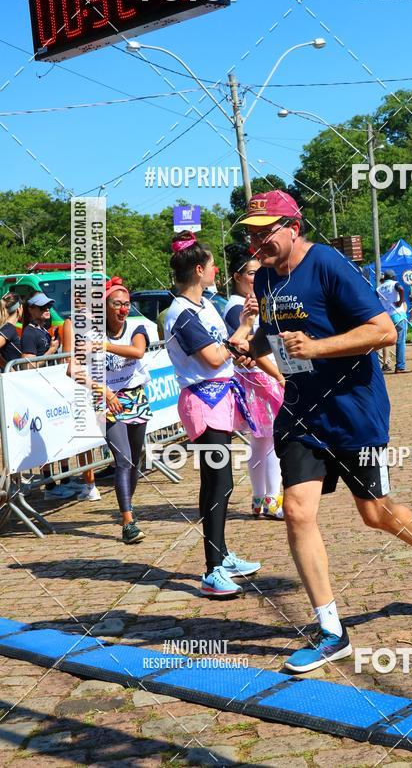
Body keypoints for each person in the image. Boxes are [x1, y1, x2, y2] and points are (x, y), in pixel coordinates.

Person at [237, 190, 412, 673]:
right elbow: (276, 339)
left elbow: (384, 331)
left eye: (265, 230)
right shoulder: (270, 280)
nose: (256, 241)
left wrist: (318, 349)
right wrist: (252, 344)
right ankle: (331, 629)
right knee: (297, 511)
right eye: (251, 233)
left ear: (293, 226)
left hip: (353, 412)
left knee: (375, 514)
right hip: (300, 415)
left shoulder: (330, 265)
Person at [164, 232, 262, 597]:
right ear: (200, 270)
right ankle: (212, 569)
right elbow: (212, 358)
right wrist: (243, 330)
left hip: (220, 399)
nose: (218, 271)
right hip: (202, 404)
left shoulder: (205, 306)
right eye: (212, 266)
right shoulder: (182, 313)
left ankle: (220, 553)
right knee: (216, 483)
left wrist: (241, 348)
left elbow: (224, 354)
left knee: (222, 482)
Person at [224, 243, 285, 520]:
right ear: (237, 277)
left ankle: (262, 499)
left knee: (261, 443)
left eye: (258, 273)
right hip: (258, 378)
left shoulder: (249, 302)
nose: (255, 278)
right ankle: (271, 499)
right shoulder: (237, 306)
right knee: (269, 441)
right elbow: (246, 347)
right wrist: (278, 375)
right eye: (250, 274)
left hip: (260, 376)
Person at [103, 277, 152, 543]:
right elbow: (77, 369)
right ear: (106, 306)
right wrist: (105, 392)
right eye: (117, 304)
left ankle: (127, 503)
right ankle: (128, 521)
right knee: (123, 460)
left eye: (126, 303)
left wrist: (104, 346)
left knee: (136, 458)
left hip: (136, 397)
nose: (123, 309)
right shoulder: (91, 332)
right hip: (107, 400)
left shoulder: (137, 326)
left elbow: (138, 351)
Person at [21, 293, 72, 500]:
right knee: (46, 438)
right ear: (31, 309)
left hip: (50, 391)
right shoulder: (29, 334)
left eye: (49, 305)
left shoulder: (42, 330)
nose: (47, 309)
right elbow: (28, 364)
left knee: (58, 434)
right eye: (42, 307)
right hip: (39, 394)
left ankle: (65, 478)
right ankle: (49, 484)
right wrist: (52, 350)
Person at [61, 308, 101, 502]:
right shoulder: (96, 320)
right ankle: (90, 484)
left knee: (87, 435)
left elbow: (68, 360)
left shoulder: (72, 322)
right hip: (92, 382)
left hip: (89, 382)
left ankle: (91, 485)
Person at [376, 269, 398, 370]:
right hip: (392, 314)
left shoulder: (379, 288)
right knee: (396, 340)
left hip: (384, 315)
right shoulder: (393, 285)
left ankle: (385, 362)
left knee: (385, 340)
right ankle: (396, 364)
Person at [390, 286, 411, 374]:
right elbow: (401, 289)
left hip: (386, 316)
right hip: (398, 316)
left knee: (380, 342)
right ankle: (400, 366)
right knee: (401, 341)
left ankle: (378, 365)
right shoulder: (394, 285)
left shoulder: (379, 289)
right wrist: (399, 302)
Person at [0, 293, 23, 370]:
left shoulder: (8, 328)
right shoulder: (9, 329)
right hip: (12, 378)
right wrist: (8, 367)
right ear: (19, 309)